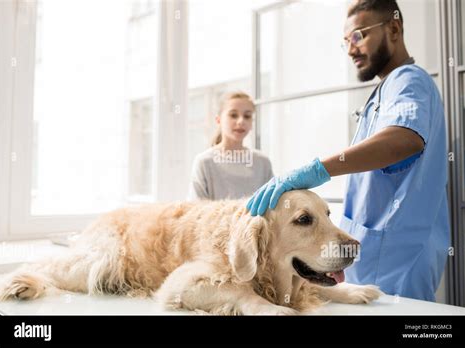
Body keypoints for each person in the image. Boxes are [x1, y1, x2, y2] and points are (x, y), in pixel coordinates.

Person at [247, 0, 450, 302]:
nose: (351, 49)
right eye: (346, 42)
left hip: (397, 261)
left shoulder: (410, 81)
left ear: (393, 28)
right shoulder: (385, 91)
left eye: (358, 36)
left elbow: (405, 139)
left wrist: (318, 169)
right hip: (373, 256)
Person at [188, 91, 273, 200]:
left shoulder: (263, 162)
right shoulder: (204, 162)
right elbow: (196, 210)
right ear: (218, 120)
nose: (241, 121)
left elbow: (272, 205)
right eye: (233, 115)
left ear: (252, 122)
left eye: (247, 116)